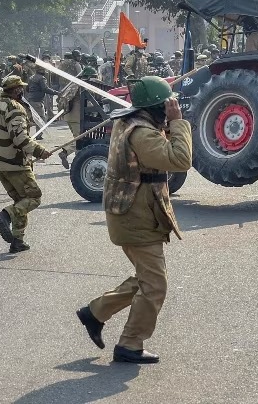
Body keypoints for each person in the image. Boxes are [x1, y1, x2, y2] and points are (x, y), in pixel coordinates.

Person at [76, 76, 192, 363]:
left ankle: (96, 312)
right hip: (136, 218)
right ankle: (129, 345)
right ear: (156, 107)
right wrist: (178, 122)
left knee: (148, 278)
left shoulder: (131, 122)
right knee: (155, 285)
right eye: (167, 105)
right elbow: (180, 160)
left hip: (135, 214)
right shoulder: (142, 133)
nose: (170, 108)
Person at [0, 75, 50, 253]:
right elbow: (19, 137)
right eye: (20, 88)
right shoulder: (15, 108)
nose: (22, 91)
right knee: (33, 198)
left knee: (21, 201)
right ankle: (5, 215)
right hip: (14, 164)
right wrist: (39, 151)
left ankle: (18, 241)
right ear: (16, 90)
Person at [56, 67, 97, 169]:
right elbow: (89, 102)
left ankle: (78, 160)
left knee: (77, 137)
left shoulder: (74, 84)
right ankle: (65, 152)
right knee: (80, 139)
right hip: (77, 116)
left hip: (69, 115)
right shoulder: (84, 86)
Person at [26, 67, 60, 136]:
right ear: (41, 70)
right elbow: (45, 89)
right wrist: (57, 92)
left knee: (32, 118)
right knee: (40, 119)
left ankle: (28, 133)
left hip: (30, 100)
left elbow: (27, 88)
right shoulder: (41, 78)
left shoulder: (32, 77)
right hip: (37, 101)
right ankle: (38, 135)